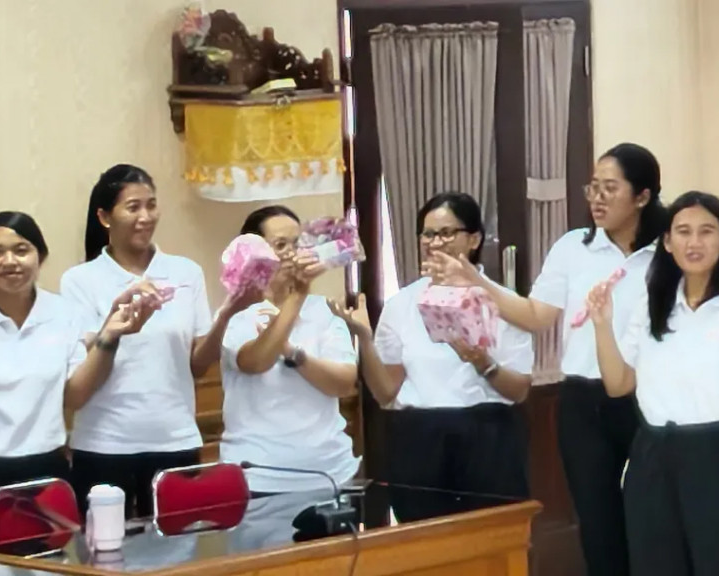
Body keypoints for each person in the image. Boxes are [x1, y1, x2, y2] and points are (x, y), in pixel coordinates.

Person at [429, 143, 667, 575]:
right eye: (593, 187)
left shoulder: (666, 252)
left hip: (648, 396)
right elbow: (536, 316)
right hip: (583, 401)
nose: (597, 198)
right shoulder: (574, 247)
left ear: (643, 196)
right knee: (597, 519)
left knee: (652, 516)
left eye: (610, 188)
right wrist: (476, 281)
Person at [587, 191, 719, 575]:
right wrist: (601, 324)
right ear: (667, 242)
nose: (694, 242)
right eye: (683, 232)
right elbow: (619, 384)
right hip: (653, 454)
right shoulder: (652, 302)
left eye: (706, 231)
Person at [0, 211, 146, 553]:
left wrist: (109, 337)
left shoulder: (63, 313)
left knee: (50, 567)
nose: (10, 261)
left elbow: (75, 396)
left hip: (45, 469)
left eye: (21, 250)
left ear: (40, 257)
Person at [61, 164, 259, 517]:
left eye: (151, 205)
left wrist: (228, 312)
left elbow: (198, 364)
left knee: (177, 544)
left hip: (175, 440)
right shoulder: (80, 280)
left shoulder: (186, 272)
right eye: (133, 207)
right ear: (104, 217)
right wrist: (114, 325)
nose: (145, 217)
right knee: (105, 545)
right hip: (104, 445)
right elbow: (82, 368)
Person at [330, 192, 534, 521]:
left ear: (474, 239)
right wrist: (364, 339)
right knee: (424, 538)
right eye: (428, 234)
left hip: (487, 436)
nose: (435, 242)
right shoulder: (401, 304)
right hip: (419, 438)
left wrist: (482, 362)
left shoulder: (503, 303)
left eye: (447, 233)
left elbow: (519, 390)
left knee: (492, 538)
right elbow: (385, 393)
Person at [219, 205, 359, 494]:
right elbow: (255, 362)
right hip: (259, 476)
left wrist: (292, 352)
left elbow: (344, 383)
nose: (293, 254)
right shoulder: (238, 312)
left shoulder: (324, 310)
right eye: (281, 245)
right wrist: (296, 299)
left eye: (298, 244)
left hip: (332, 472)